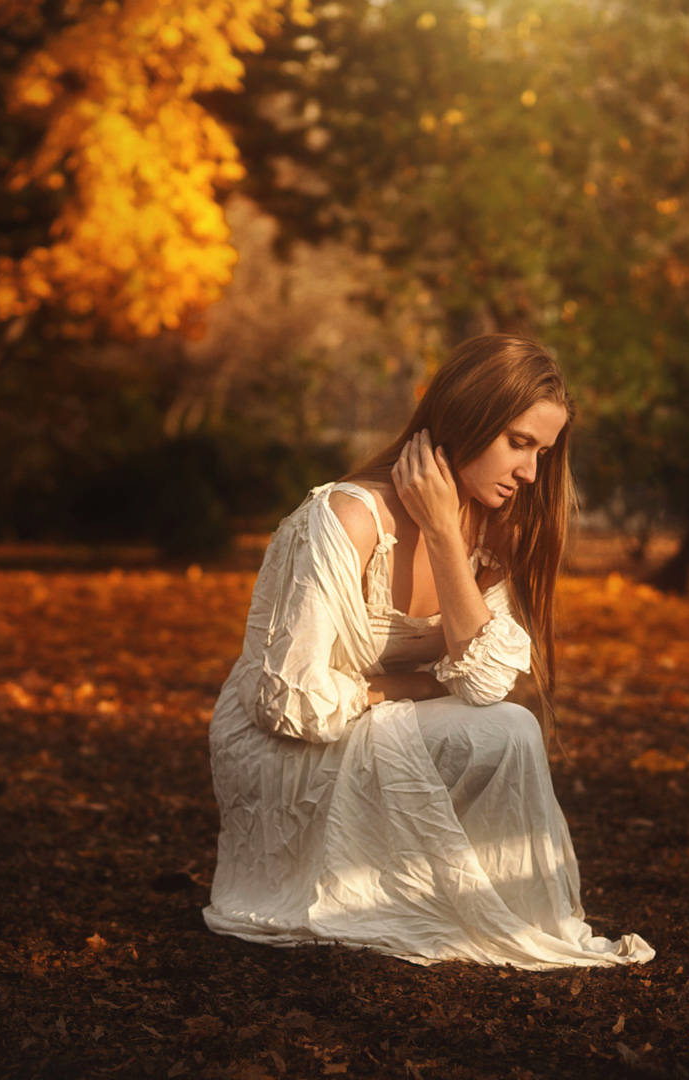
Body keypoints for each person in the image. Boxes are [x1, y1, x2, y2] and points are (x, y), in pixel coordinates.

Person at [203, 334, 656, 969]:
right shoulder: (346, 518)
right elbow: (289, 704)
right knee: (504, 731)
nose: (530, 472)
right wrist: (410, 688)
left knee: (509, 727)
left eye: (543, 453)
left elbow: (488, 681)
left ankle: (490, 904)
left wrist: (445, 534)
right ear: (466, 419)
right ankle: (392, 896)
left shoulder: (494, 529)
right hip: (283, 748)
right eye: (518, 443)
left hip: (364, 719)